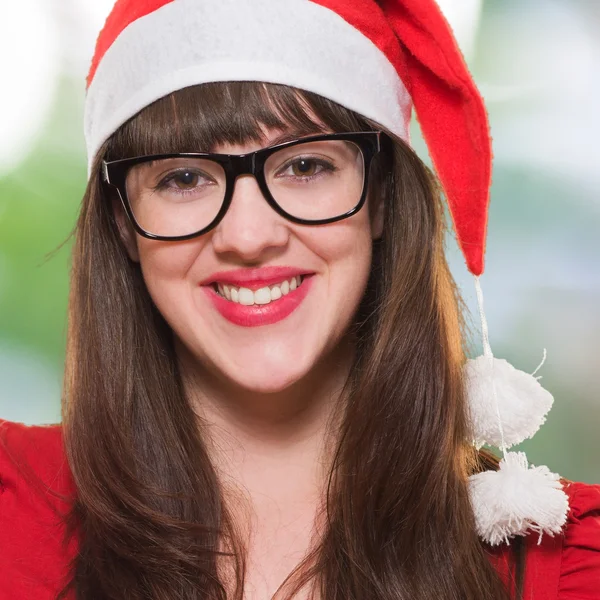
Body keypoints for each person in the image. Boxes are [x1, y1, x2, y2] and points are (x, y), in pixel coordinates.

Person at [1, 1, 598, 598]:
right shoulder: (11, 510)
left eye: (306, 166)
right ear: (123, 223)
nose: (248, 237)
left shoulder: (569, 565)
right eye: (184, 179)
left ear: (382, 195)